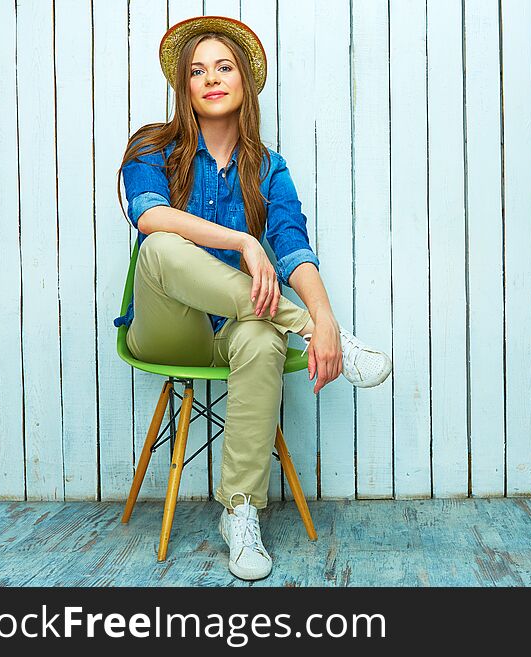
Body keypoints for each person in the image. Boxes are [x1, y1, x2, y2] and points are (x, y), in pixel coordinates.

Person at [113, 16, 392, 581]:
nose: (211, 78)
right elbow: (147, 215)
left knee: (262, 339)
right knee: (161, 246)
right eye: (197, 70)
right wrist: (243, 241)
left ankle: (240, 512)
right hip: (167, 324)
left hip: (235, 327)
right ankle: (302, 327)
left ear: (244, 82)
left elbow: (291, 246)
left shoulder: (267, 168)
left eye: (224, 67)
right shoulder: (153, 146)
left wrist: (328, 316)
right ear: (184, 86)